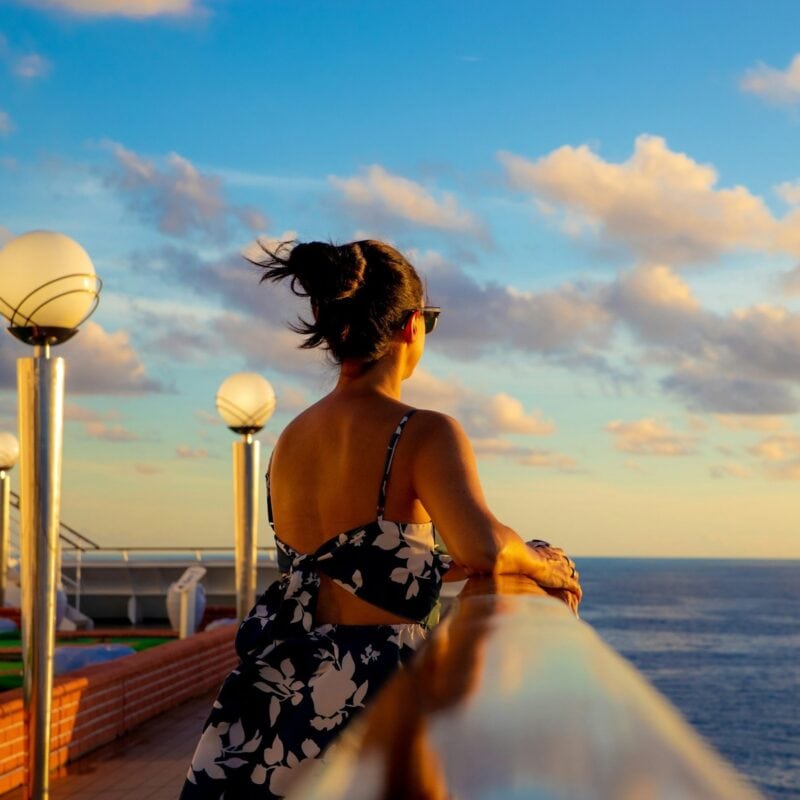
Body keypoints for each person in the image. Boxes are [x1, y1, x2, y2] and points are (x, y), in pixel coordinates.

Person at [180, 240, 582, 799]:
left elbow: (351, 563)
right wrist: (539, 561)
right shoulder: (421, 431)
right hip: (372, 696)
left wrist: (442, 568)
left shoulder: (289, 440)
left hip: (281, 699)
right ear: (412, 325)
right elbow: (486, 545)